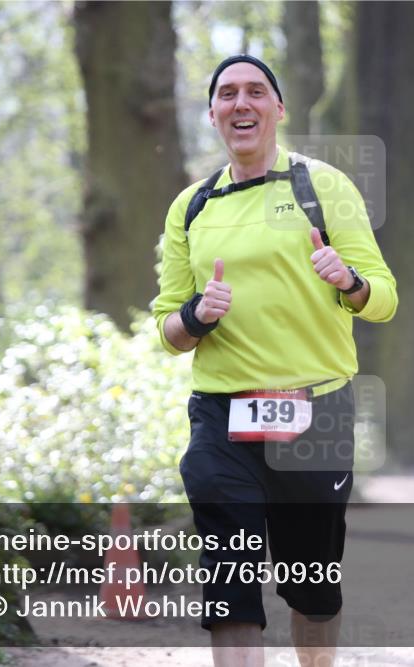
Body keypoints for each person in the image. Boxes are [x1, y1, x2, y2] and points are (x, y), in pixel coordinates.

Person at [152, 54, 397, 667]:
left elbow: (385, 300)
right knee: (230, 589)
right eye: (227, 94)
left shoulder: (323, 186)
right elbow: (167, 328)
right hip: (221, 419)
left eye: (256, 92)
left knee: (312, 589)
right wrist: (197, 315)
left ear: (278, 109)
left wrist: (350, 281)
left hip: (314, 417)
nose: (242, 103)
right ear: (212, 114)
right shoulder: (191, 207)